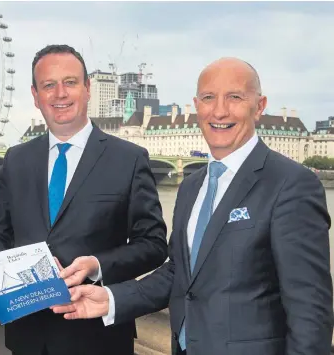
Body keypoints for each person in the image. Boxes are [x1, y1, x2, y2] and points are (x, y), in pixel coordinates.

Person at [52, 57, 334, 355]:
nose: (220, 110)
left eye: (235, 97)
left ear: (260, 105)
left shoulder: (291, 184)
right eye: (209, 98)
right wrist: (110, 299)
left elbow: (310, 310)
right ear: (196, 105)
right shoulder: (191, 186)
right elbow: (179, 273)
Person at [0, 44, 169, 355]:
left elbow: (154, 244)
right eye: (48, 85)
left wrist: (96, 266)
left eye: (70, 82)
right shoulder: (17, 159)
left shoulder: (129, 159)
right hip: (27, 336)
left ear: (88, 88)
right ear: (35, 96)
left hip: (99, 339)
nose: (60, 94)